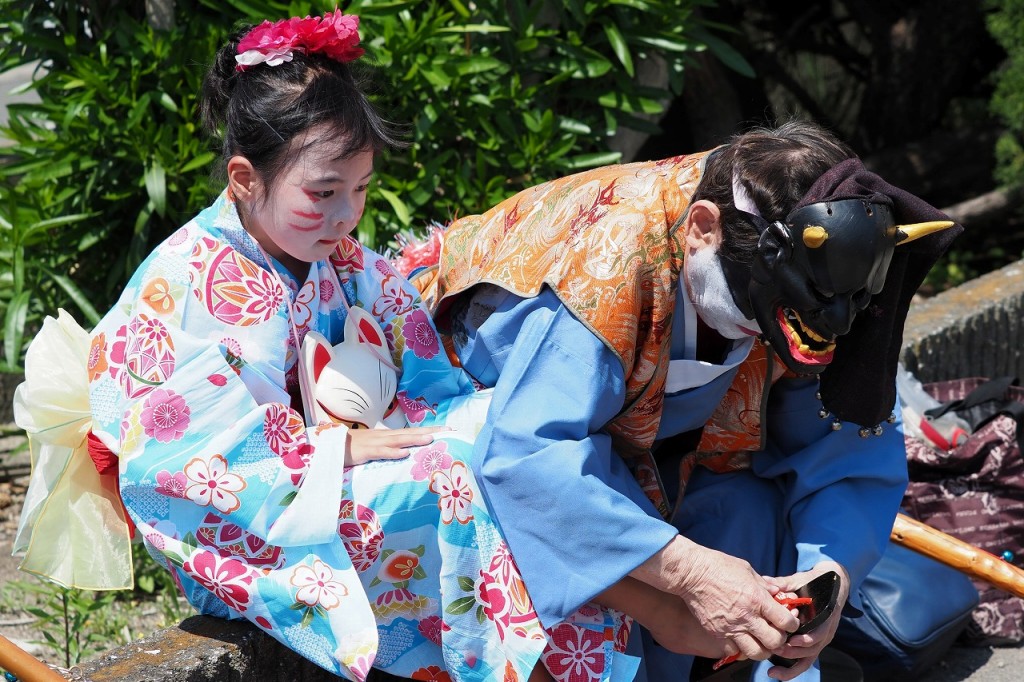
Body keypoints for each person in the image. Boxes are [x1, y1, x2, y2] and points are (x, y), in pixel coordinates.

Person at [11, 11, 730, 682]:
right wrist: (336, 450)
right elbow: (180, 455)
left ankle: (634, 615)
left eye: (358, 190)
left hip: (332, 470)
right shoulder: (192, 277)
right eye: (322, 193)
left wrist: (427, 425)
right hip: (249, 520)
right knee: (454, 475)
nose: (345, 215)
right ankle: (607, 634)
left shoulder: (342, 260)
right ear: (245, 179)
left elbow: (427, 377)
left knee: (510, 441)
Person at [417, 119, 962, 681]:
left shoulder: (821, 288)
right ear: (703, 229)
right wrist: (689, 574)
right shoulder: (609, 260)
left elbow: (842, 454)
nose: (835, 321)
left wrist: (830, 575)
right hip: (496, 435)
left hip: (671, 460)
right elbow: (527, 456)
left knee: (747, 511)